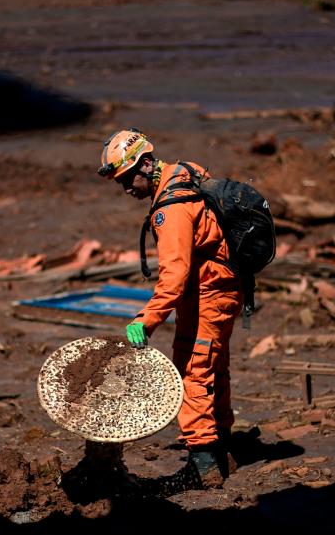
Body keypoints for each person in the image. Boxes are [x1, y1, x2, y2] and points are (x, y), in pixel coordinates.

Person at [98, 128, 242, 488]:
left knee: (191, 369)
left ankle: (203, 464)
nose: (126, 188)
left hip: (209, 289)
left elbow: (173, 275)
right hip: (219, 285)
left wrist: (146, 320)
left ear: (146, 164)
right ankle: (222, 449)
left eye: (128, 178)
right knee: (213, 363)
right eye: (120, 182)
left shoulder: (171, 210)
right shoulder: (185, 172)